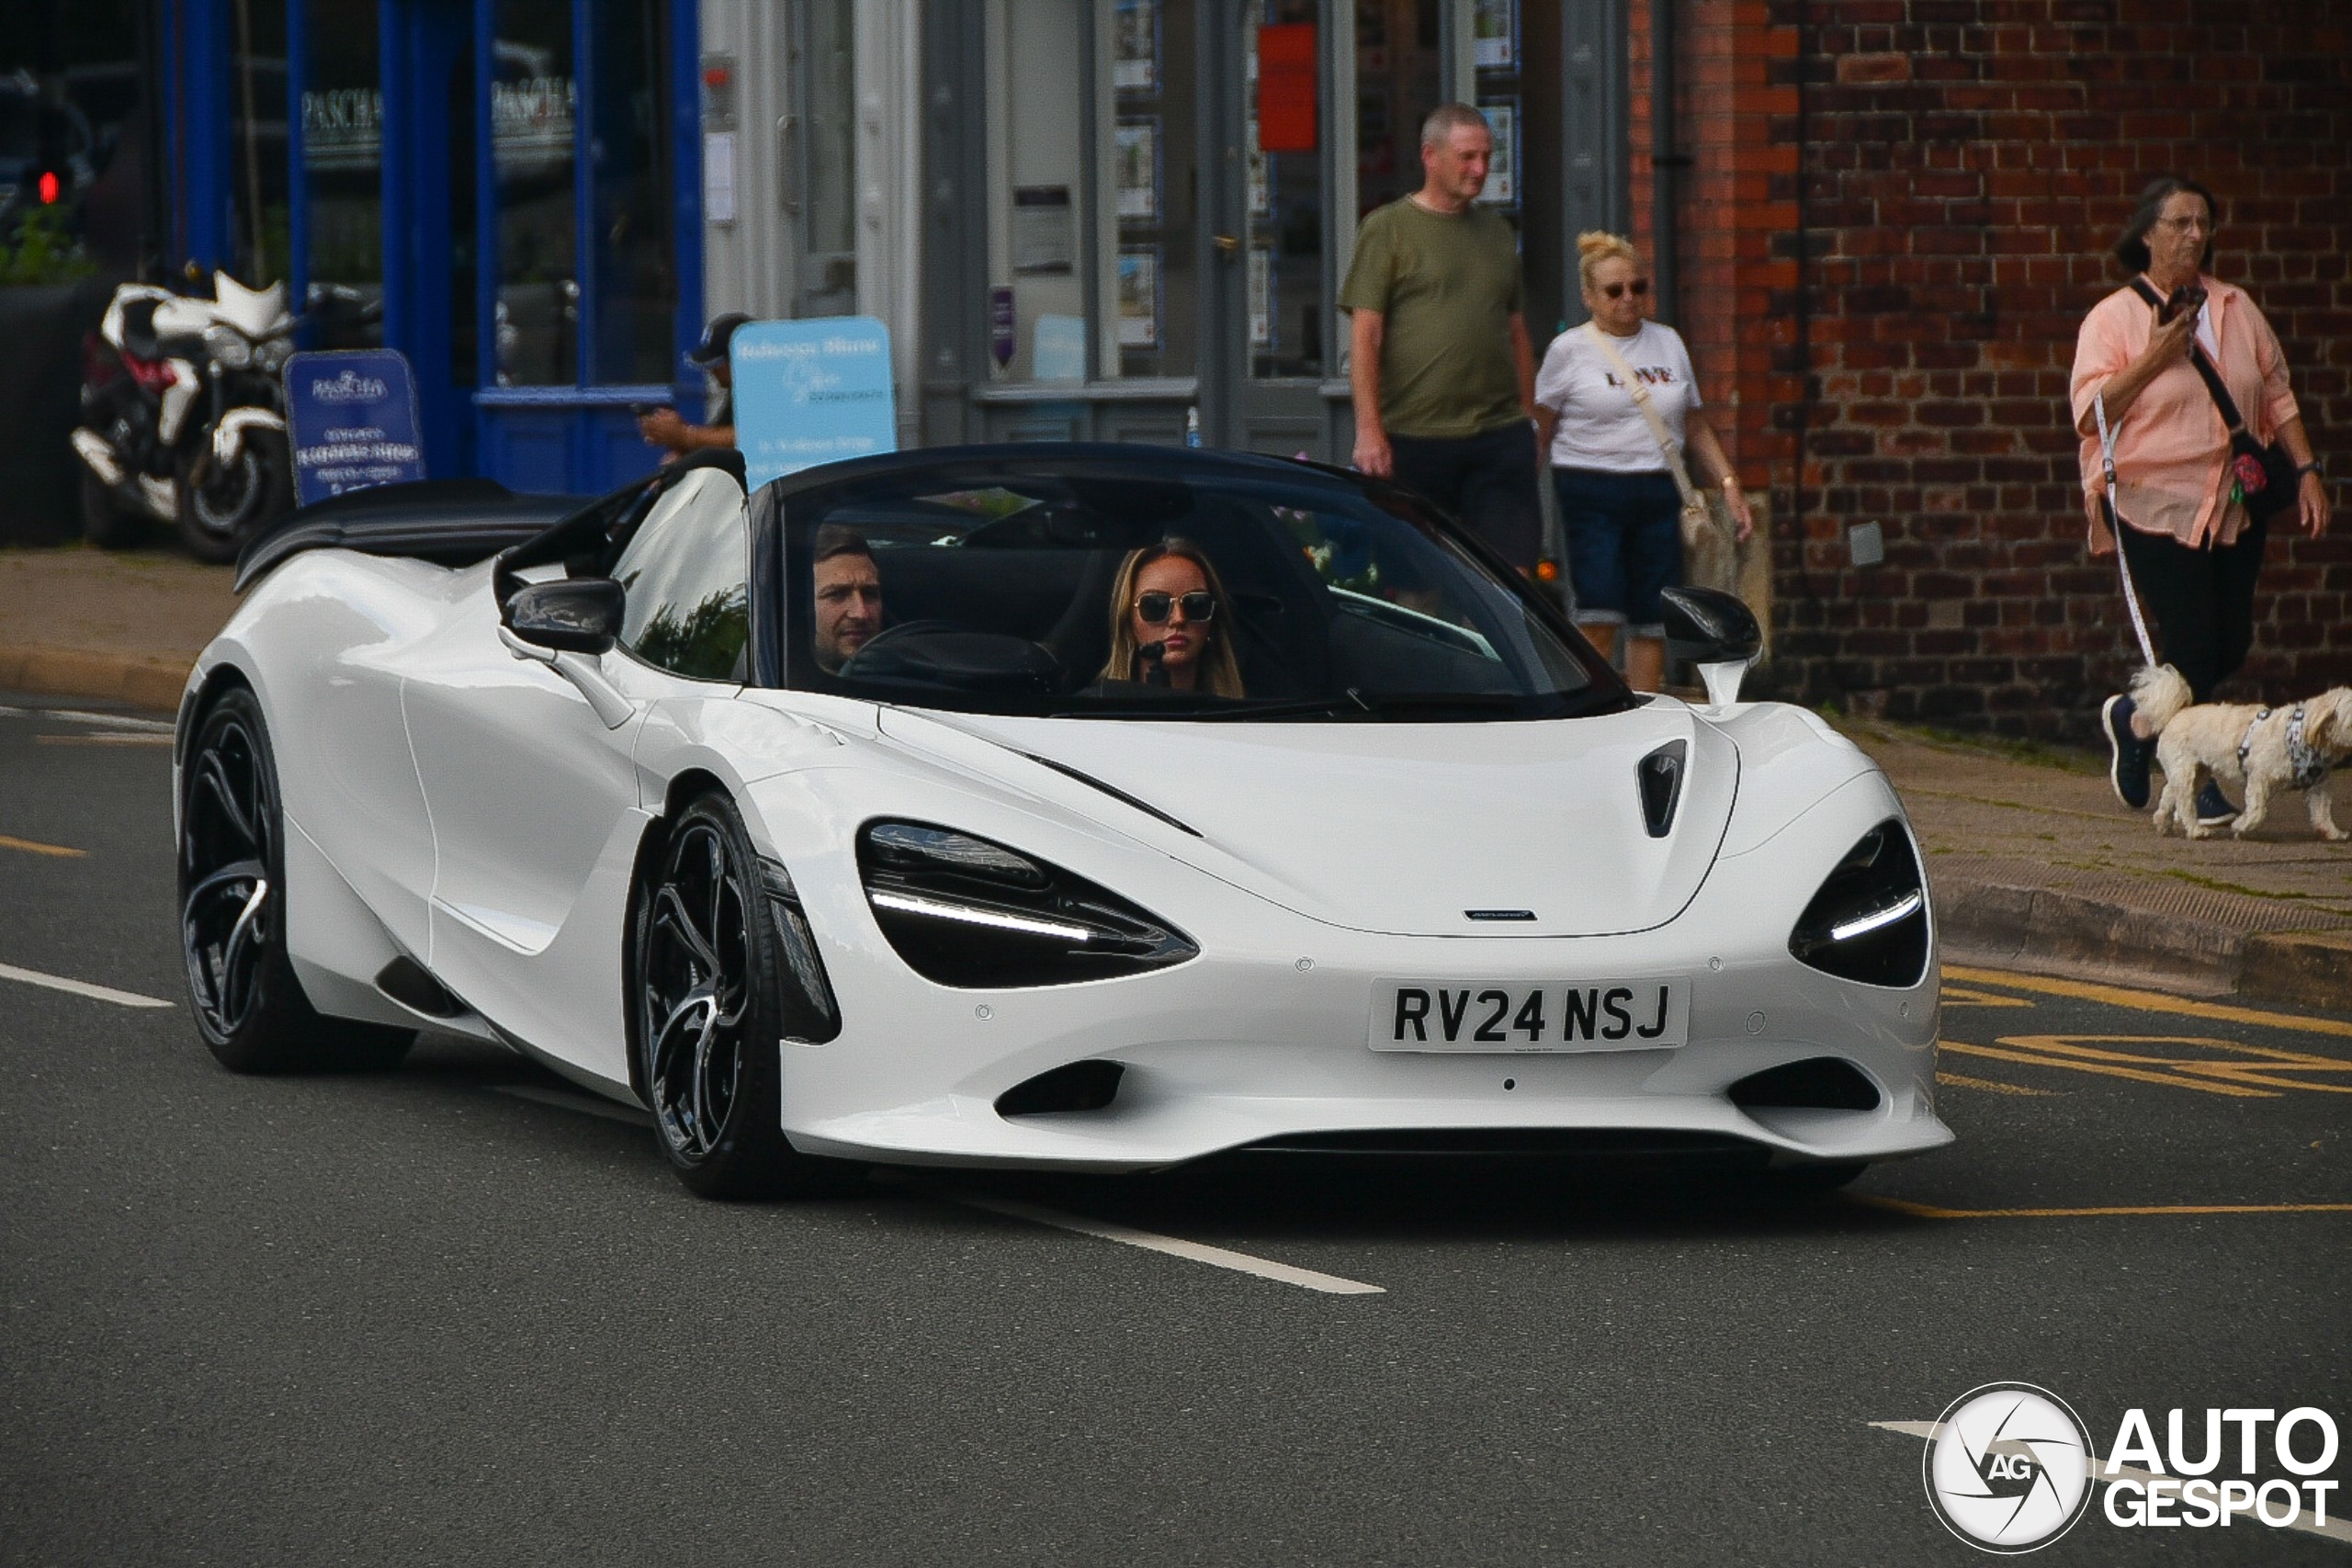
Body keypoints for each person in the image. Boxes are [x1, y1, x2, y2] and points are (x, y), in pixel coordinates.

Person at [2073, 175, 2331, 823]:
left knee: (2231, 641)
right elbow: (2090, 415)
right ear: (2146, 234)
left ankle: (2135, 721)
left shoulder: (2236, 307)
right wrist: (2158, 353)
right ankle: (2195, 776)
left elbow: (2276, 393)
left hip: (2234, 497)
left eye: (2204, 223)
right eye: (2181, 222)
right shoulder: (2113, 318)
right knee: (2192, 641)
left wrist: (2307, 470)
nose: (2195, 234)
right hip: (2153, 500)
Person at [1534, 231, 1753, 693]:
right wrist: (1526, 490)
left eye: (1639, 287)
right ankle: (1588, 707)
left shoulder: (1668, 342)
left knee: (1652, 614)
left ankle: (1643, 704)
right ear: (1589, 296)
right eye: (1615, 291)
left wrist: (1729, 483)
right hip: (1590, 484)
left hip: (1657, 487)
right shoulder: (1570, 351)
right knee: (1600, 607)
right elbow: (1543, 424)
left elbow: (1693, 424)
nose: (1629, 299)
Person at [1339, 103, 1544, 571]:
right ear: (1430, 156)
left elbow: (1516, 333)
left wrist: (1528, 421)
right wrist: (1370, 431)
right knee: (1419, 586)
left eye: (1487, 157)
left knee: (1513, 579)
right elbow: (1366, 334)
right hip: (1414, 438)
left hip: (1496, 437)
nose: (1480, 170)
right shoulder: (1388, 229)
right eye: (1467, 157)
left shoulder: (1495, 232)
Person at [1100, 539, 1245, 697]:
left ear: (1212, 620)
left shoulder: (1253, 718)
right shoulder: (1090, 717)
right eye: (1155, 605)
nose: (1179, 619)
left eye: (1196, 604)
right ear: (1128, 621)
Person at [639, 311, 749, 459]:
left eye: (717, 364)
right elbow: (718, 439)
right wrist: (676, 440)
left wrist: (685, 435)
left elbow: (753, 437)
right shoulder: (736, 391)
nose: (711, 371)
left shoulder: (767, 391)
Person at [811, 525, 884, 673]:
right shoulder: (778, 687)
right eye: (837, 594)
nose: (861, 613)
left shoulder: (913, 675)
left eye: (870, 594)